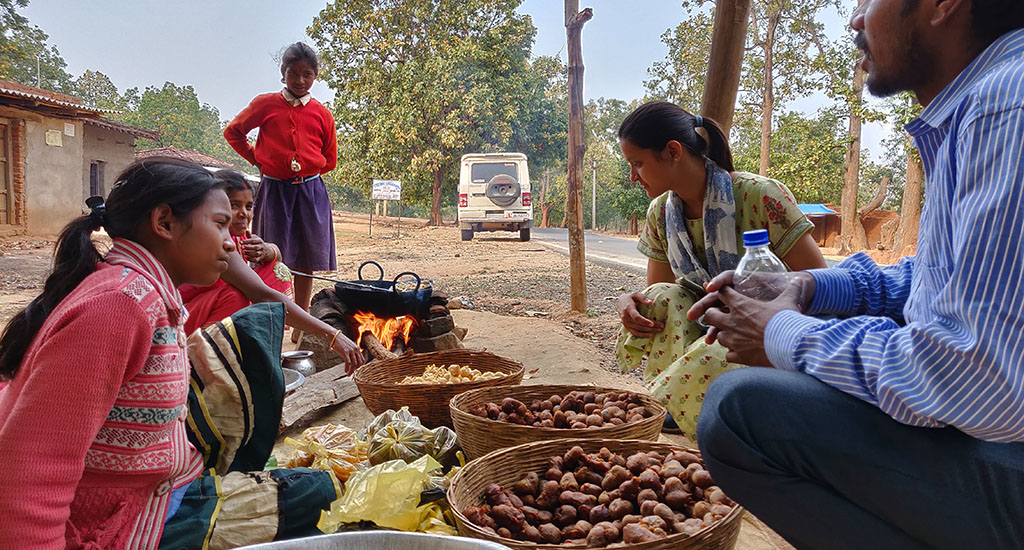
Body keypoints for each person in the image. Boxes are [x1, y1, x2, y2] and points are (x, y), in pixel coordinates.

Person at [688, 1, 1024, 548]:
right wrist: (808, 288)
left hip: (1006, 441)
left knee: (739, 410)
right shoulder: (979, 107)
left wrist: (780, 332)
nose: (855, 20)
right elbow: (932, 280)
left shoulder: (1005, 106)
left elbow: (972, 375)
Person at [0, 159, 341, 550]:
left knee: (317, 483)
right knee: (324, 497)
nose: (230, 241)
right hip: (118, 522)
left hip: (160, 488)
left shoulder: (147, 293)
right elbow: (29, 472)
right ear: (164, 222)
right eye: (218, 224)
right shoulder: (119, 305)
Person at [613, 100, 826, 439]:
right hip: (712, 327)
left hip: (768, 329)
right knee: (659, 298)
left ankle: (681, 404)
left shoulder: (759, 196)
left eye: (637, 163)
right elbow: (659, 293)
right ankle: (681, 401)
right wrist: (632, 305)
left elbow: (822, 284)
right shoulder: (661, 213)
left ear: (672, 151)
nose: (632, 176)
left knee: (722, 339)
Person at [178, 170, 364, 372]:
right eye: (234, 206)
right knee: (237, 296)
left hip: (209, 306)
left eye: (249, 206)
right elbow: (263, 295)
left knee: (277, 270)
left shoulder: (241, 236)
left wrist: (268, 250)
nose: (244, 214)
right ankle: (211, 359)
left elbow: (276, 256)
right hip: (187, 320)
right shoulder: (216, 242)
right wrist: (332, 334)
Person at [224, 42, 337, 341]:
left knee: (306, 258)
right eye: (293, 73)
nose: (300, 80)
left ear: (315, 76)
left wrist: (305, 174)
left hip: (311, 193)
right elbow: (233, 132)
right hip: (274, 190)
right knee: (268, 254)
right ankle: (270, 319)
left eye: (307, 74)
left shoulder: (323, 114)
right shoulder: (265, 104)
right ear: (283, 73)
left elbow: (330, 159)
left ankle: (301, 321)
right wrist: (259, 160)